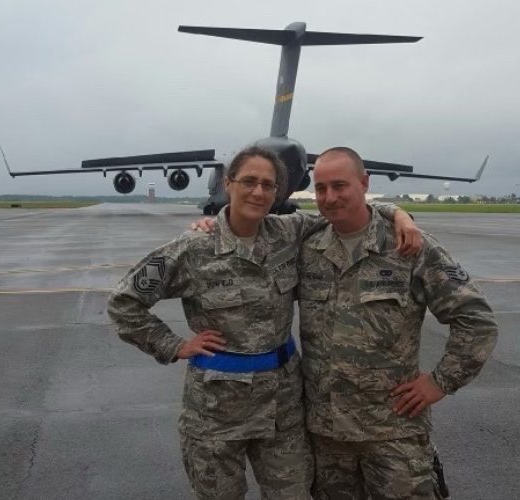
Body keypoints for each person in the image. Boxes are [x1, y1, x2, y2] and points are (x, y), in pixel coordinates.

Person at [108, 145, 420, 500]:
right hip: (216, 413)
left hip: (281, 409)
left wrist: (399, 214)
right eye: (249, 181)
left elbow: (347, 211)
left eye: (268, 185)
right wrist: (174, 345)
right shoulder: (193, 248)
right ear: (228, 184)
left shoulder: (289, 232)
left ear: (277, 193)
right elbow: (123, 302)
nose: (258, 192)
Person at [299, 147, 499, 499]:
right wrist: (210, 224)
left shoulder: (409, 246)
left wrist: (439, 382)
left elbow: (476, 319)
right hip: (327, 436)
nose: (329, 197)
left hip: (393, 431)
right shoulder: (307, 246)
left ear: (364, 183)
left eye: (340, 185)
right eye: (320, 188)